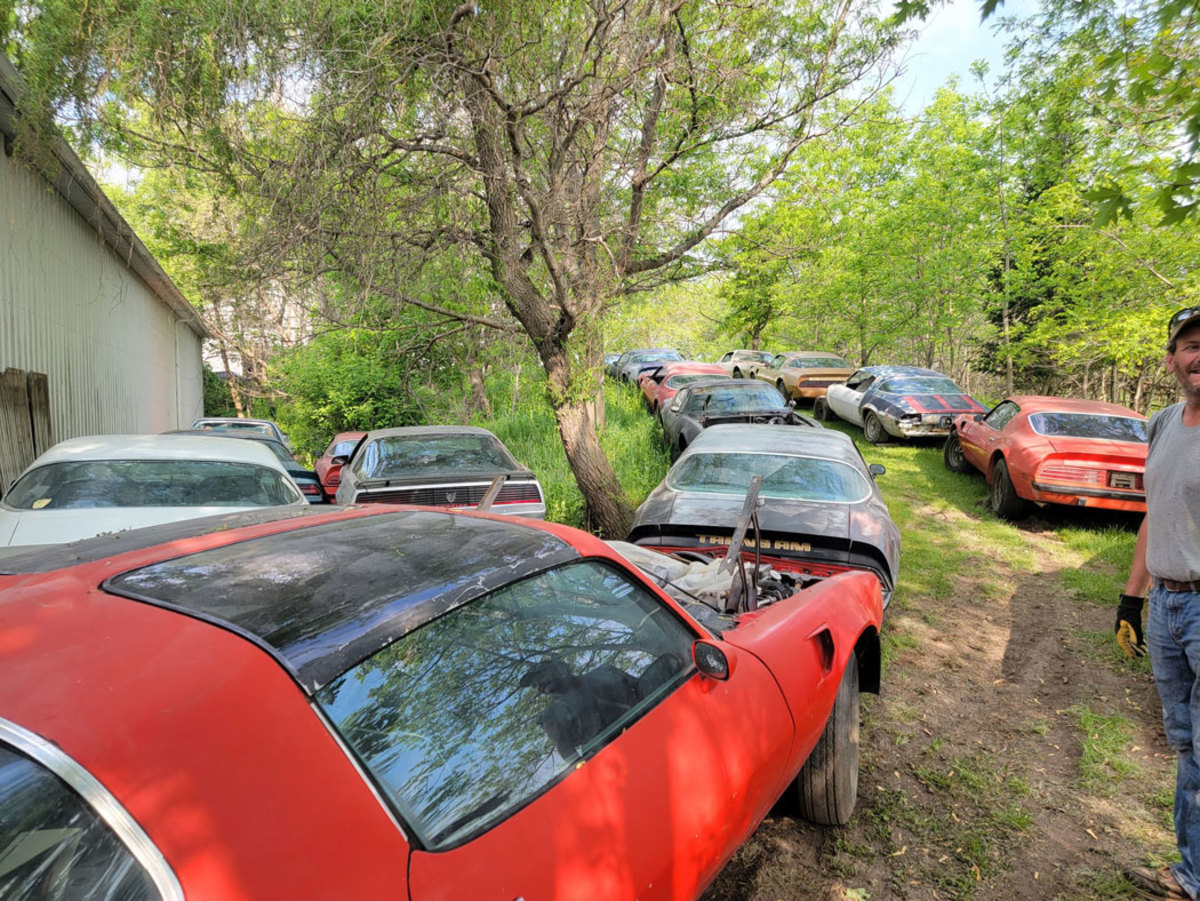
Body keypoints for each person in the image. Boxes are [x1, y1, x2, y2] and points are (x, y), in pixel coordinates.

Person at [1118, 306, 1200, 900]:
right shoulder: (1164, 422)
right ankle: (1190, 872)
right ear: (1171, 359)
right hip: (1168, 607)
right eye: (1191, 345)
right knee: (1185, 742)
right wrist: (1131, 599)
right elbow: (1157, 514)